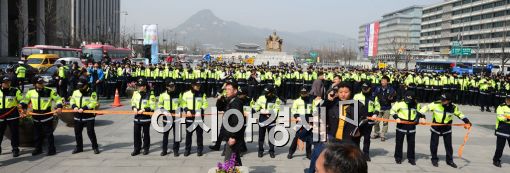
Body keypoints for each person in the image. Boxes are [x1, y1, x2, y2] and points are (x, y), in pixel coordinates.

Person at [419, 93, 471, 168]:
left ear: (449, 101)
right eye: (441, 99)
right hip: (436, 127)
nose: (441, 101)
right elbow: (424, 108)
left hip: (447, 128)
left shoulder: (453, 107)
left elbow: (460, 114)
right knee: (434, 145)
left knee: (448, 146)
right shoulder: (436, 104)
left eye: (444, 100)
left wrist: (467, 121)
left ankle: (449, 160)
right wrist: (422, 116)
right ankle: (434, 159)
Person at [20, 76, 63, 156]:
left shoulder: (50, 91)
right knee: (37, 134)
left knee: (49, 134)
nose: (42, 84)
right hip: (36, 116)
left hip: (47, 115)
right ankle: (38, 149)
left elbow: (58, 99)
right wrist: (23, 107)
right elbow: (25, 100)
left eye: (42, 83)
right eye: (40, 83)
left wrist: (59, 107)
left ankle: (52, 149)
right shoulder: (30, 92)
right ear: (35, 84)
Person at [391, 91, 425, 165]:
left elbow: (421, 112)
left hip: (412, 125)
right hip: (401, 124)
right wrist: (396, 117)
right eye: (406, 99)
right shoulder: (399, 103)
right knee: (399, 142)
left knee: (411, 143)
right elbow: (392, 110)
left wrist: (423, 117)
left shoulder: (416, 104)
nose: (408, 101)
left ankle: (411, 158)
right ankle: (398, 157)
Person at [70, 79, 100, 155]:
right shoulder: (75, 92)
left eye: (82, 87)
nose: (80, 88)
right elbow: (72, 100)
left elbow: (93, 103)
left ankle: (95, 147)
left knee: (90, 132)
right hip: (78, 115)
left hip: (88, 116)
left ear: (86, 85)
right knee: (77, 133)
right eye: (79, 86)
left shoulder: (92, 92)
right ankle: (79, 147)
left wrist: (84, 108)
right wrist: (74, 106)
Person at [353, 82, 380, 161]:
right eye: (363, 88)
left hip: (369, 120)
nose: (364, 90)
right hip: (359, 120)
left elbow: (377, 106)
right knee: (356, 138)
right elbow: (352, 106)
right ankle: (356, 154)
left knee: (367, 138)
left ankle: (366, 154)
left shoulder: (373, 96)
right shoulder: (357, 96)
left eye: (366, 88)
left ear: (370, 88)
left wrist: (375, 114)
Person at [288, 87, 317, 159]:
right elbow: (294, 110)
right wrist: (296, 116)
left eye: (305, 93)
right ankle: (291, 152)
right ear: (300, 93)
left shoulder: (311, 100)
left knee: (309, 137)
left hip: (309, 119)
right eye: (302, 93)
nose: (303, 94)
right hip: (300, 119)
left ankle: (308, 153)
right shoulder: (297, 101)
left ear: (307, 93)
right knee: (297, 136)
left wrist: (314, 115)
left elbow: (314, 109)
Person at [253, 86, 282, 158]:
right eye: (265, 92)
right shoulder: (261, 98)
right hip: (262, 119)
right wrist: (256, 110)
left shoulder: (276, 99)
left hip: (271, 119)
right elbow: (257, 107)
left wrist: (268, 112)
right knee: (261, 137)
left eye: (267, 93)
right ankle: (260, 151)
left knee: (271, 137)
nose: (266, 94)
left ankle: (271, 151)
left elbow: (277, 109)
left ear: (271, 93)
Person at [182, 80, 208, 156]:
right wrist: (186, 110)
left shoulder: (202, 93)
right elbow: (183, 103)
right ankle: (187, 149)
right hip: (189, 116)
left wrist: (201, 110)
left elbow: (205, 104)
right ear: (192, 85)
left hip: (199, 117)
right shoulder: (186, 94)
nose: (198, 87)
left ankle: (200, 150)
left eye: (199, 85)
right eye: (197, 85)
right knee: (188, 134)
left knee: (199, 134)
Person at [130, 78, 156, 156]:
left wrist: (144, 109)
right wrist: (134, 107)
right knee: (136, 134)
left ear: (145, 86)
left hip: (145, 117)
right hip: (137, 116)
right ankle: (136, 149)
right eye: (139, 86)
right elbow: (133, 101)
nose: (140, 87)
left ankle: (146, 148)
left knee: (146, 134)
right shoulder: (135, 93)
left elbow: (152, 106)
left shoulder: (150, 94)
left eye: (141, 86)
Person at [0, 76, 23, 157]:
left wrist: (21, 104)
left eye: (8, 82)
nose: (7, 84)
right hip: (1, 116)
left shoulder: (15, 90)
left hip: (13, 115)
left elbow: (21, 99)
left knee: (14, 133)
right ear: (1, 83)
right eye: (5, 82)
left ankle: (15, 149)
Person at [222, 82, 244, 166]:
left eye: (229, 89)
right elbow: (220, 107)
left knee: (228, 160)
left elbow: (237, 120)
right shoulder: (230, 100)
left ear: (235, 91)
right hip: (230, 133)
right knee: (235, 158)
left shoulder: (236, 103)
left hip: (232, 134)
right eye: (226, 89)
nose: (226, 91)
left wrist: (233, 136)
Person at [158, 81, 182, 157]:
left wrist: (180, 109)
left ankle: (176, 150)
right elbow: (160, 104)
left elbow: (182, 103)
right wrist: (163, 111)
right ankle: (164, 150)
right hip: (166, 116)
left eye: (173, 86)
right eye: (170, 86)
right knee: (165, 134)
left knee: (176, 135)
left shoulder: (178, 94)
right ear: (167, 87)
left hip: (176, 116)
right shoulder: (162, 94)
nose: (172, 88)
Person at [372, 76, 397, 142]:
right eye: (382, 80)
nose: (382, 82)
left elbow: (394, 98)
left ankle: (383, 135)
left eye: (384, 80)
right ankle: (376, 133)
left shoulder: (391, 89)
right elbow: (374, 96)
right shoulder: (378, 88)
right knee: (376, 121)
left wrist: (392, 99)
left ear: (387, 82)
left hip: (387, 108)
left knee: (385, 122)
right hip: (379, 108)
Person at [493, 94, 510, 167]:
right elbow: (500, 117)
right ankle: (496, 160)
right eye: (507, 99)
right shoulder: (501, 107)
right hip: (502, 129)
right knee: (500, 147)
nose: (508, 101)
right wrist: (508, 118)